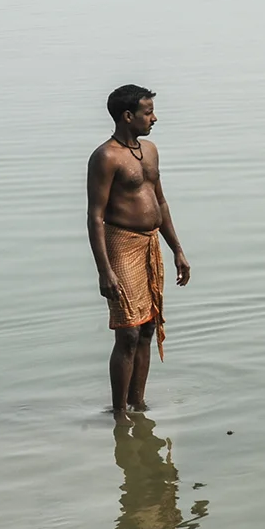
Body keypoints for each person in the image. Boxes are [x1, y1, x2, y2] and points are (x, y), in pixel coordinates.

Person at [88, 85, 191, 419]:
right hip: (121, 244)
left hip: (150, 243)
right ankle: (119, 413)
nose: (154, 118)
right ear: (127, 116)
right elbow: (96, 216)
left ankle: (138, 405)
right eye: (148, 112)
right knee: (128, 331)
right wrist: (105, 270)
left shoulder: (150, 151)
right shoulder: (106, 157)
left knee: (147, 328)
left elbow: (160, 201)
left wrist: (177, 249)